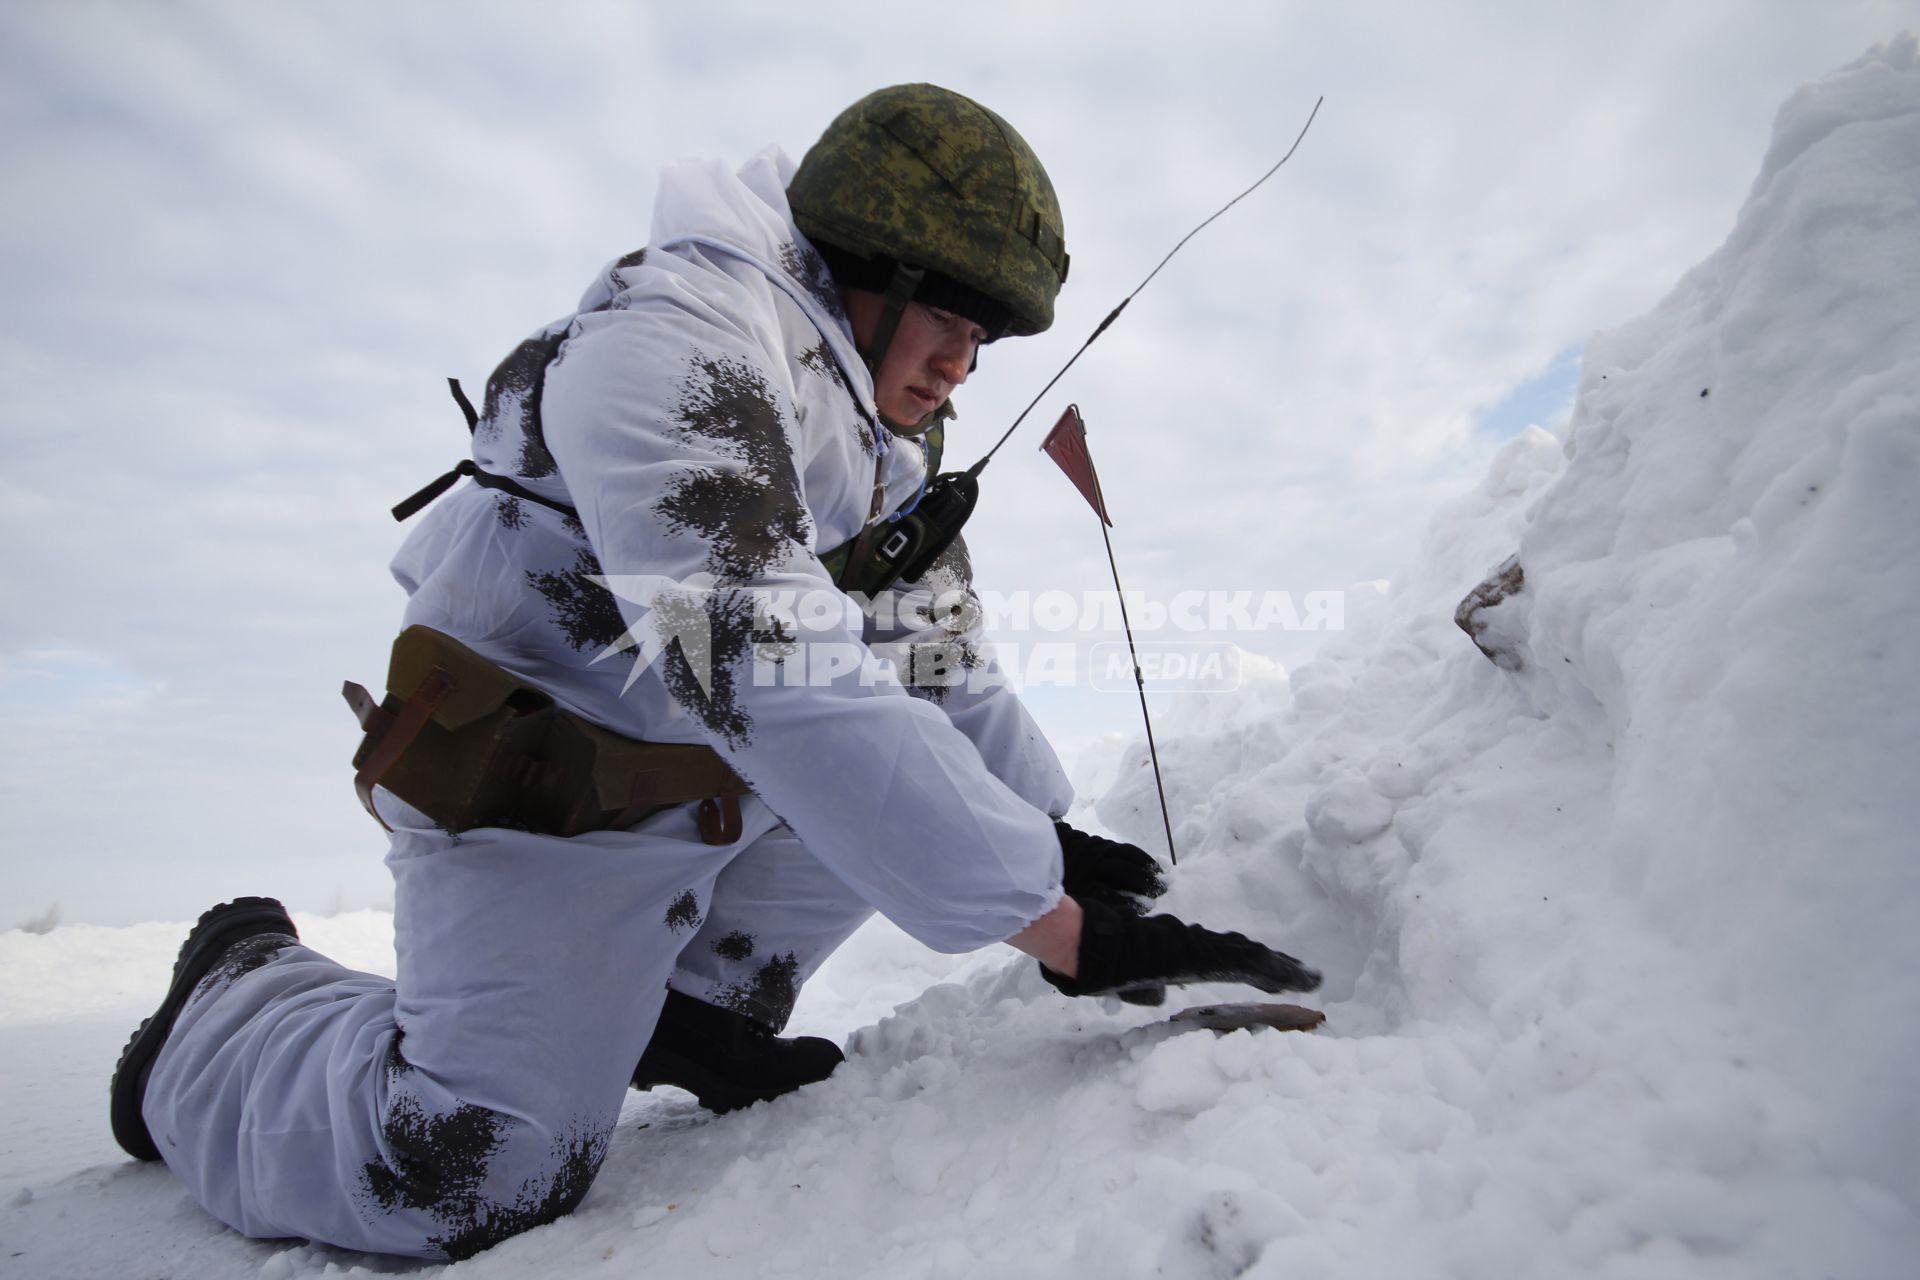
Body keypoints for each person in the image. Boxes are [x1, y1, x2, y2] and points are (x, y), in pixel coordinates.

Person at [108, 83, 1318, 1261]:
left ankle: (690, 1003)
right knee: (465, 1165)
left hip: (699, 771)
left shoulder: (877, 430)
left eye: (984, 335)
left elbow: (938, 660)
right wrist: (1059, 927)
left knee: (903, 758)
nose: (965, 360)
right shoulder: (673, 347)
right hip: (543, 785)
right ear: (867, 267)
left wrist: (1056, 838)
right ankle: (233, 998)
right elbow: (754, 658)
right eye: (948, 314)